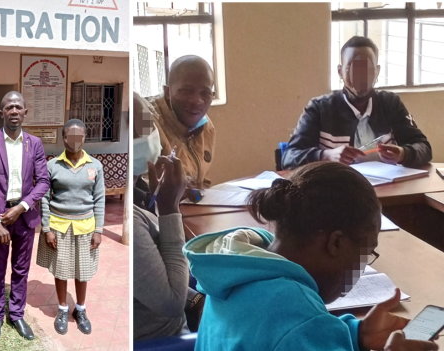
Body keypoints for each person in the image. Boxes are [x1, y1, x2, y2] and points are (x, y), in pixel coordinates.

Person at [184, 161, 439, 350]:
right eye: (366, 252)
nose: (362, 267)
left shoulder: (235, 271)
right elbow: (295, 332)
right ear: (336, 243)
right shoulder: (299, 318)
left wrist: (354, 334)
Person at [282, 36, 432, 170]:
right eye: (352, 68)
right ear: (340, 72)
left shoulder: (390, 103)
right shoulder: (319, 108)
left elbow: (423, 147)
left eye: (367, 68)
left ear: (377, 71)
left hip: (389, 189)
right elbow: (289, 158)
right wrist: (326, 155)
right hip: (336, 193)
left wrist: (403, 154)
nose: (361, 75)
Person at [0, 91, 49, 341]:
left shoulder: (34, 144)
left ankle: (16, 314)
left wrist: (22, 207)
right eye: (9, 107)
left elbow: (43, 181)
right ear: (2, 112)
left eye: (18, 107)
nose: (14, 111)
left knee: (21, 269)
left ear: (25, 112)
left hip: (24, 216)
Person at [36, 119, 105, 335]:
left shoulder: (95, 166)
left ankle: (81, 310)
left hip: (86, 227)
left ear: (85, 137)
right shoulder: (52, 165)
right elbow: (45, 198)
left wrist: (99, 230)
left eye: (79, 136)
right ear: (64, 138)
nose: (74, 141)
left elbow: (99, 198)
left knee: (82, 271)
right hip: (59, 227)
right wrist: (47, 228)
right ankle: (63, 309)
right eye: (70, 136)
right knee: (61, 270)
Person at [132, 91, 190, 341]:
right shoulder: (128, 220)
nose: (148, 136)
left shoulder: (138, 190)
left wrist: (195, 297)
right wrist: (168, 209)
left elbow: (156, 268)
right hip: (166, 340)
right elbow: (172, 303)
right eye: (139, 128)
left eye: (149, 124)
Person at [146, 55, 216, 189]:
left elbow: (202, 181)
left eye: (205, 93)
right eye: (186, 91)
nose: (196, 101)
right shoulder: (145, 120)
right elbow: (141, 187)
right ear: (167, 92)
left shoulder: (206, 126)